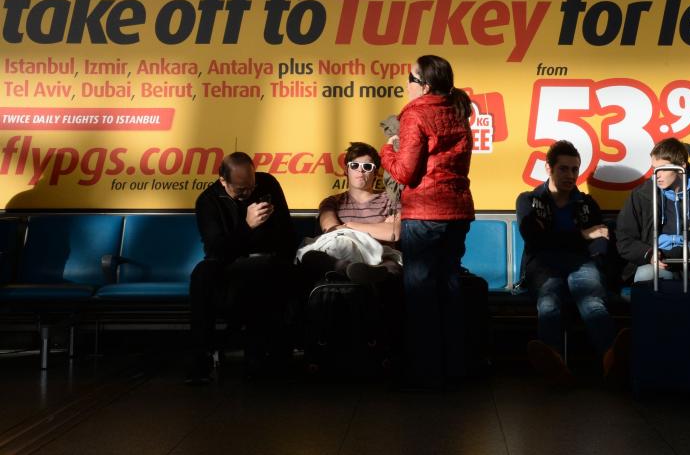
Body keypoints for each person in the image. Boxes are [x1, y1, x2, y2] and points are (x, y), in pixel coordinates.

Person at [380, 54, 475, 390]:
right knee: (449, 290)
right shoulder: (460, 110)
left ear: (426, 84)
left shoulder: (416, 113)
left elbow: (405, 172)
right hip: (458, 211)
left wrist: (386, 151)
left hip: (424, 214)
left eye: (410, 76)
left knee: (419, 293)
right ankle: (456, 368)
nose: (405, 83)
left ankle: (425, 374)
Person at [516, 140, 627, 383]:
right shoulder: (529, 201)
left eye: (575, 169)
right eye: (563, 169)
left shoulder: (587, 204)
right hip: (543, 264)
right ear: (549, 169)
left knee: (592, 301)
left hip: (582, 263)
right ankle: (555, 366)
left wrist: (580, 245)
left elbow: (600, 242)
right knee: (548, 302)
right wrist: (582, 236)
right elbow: (536, 240)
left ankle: (612, 362)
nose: (570, 175)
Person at [187, 152, 297, 384]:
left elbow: (287, 235)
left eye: (251, 186)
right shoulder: (208, 201)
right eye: (240, 190)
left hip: (268, 261)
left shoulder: (267, 185)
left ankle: (259, 359)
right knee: (201, 274)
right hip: (228, 264)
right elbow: (216, 250)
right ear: (223, 181)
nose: (247, 193)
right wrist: (247, 226)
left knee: (263, 273)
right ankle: (200, 359)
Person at [298, 142, 402, 284]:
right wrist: (381, 227)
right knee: (310, 256)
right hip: (342, 255)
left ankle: (362, 273)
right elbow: (331, 230)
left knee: (392, 266)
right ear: (346, 170)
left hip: (379, 257)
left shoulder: (390, 199)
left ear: (376, 172)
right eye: (354, 166)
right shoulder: (331, 202)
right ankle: (349, 269)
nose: (360, 171)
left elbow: (395, 232)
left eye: (367, 167)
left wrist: (349, 225)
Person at [616, 137, 690, 284]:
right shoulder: (643, 194)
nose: (657, 175)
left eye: (663, 168)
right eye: (654, 169)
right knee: (646, 278)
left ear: (682, 166)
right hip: (658, 262)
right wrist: (649, 254)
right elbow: (624, 237)